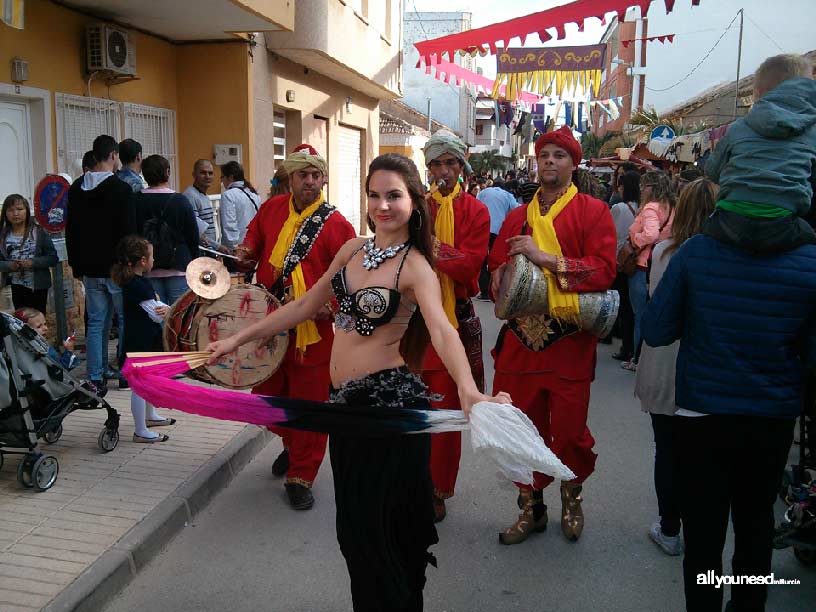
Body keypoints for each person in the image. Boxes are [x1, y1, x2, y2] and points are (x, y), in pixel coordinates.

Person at [209, 153, 510, 612]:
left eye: (394, 196)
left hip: (386, 411)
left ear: (414, 201)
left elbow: (443, 331)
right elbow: (305, 305)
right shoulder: (352, 251)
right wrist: (240, 338)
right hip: (344, 410)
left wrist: (468, 391)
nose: (382, 206)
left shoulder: (416, 268)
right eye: (374, 195)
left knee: (378, 536)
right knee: (353, 534)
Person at [643, 53, 815, 612]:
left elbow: (656, 330)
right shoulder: (810, 261)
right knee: (756, 529)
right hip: (771, 419)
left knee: (706, 536)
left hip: (702, 419)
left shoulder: (694, 254)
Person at [488, 125, 616, 544]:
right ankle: (532, 508)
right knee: (521, 430)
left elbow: (604, 270)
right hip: (520, 344)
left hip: (568, 342)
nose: (550, 162)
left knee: (570, 430)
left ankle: (572, 497)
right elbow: (494, 268)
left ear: (573, 164)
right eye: (545, 155)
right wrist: (498, 279)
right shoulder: (515, 216)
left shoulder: (593, 213)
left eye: (559, 156)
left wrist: (544, 258)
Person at [233, 144, 355, 510]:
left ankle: (302, 475)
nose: (312, 182)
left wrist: (326, 308)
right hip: (271, 322)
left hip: (312, 334)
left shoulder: (336, 224)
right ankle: (291, 441)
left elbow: (351, 278)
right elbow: (254, 239)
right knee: (268, 397)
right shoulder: (271, 208)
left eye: (317, 176)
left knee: (310, 405)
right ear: (291, 177)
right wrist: (243, 254)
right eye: (304, 175)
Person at [634, 178, 717, 558]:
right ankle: (700, 531)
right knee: (699, 454)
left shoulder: (666, 251)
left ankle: (670, 528)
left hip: (664, 358)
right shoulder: (723, 255)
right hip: (704, 362)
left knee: (666, 449)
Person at [421, 130, 490, 521]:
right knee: (411, 403)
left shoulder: (476, 212)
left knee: (445, 410)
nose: (444, 171)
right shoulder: (416, 206)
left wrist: (428, 248)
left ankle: (438, 488)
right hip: (413, 322)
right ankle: (410, 480)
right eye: (437, 164)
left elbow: (468, 266)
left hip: (453, 321)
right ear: (428, 169)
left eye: (451, 163)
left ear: (461, 167)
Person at [66, 135, 132, 395]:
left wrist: (76, 265)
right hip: (117, 267)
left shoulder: (76, 188)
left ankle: (96, 375)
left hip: (90, 268)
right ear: (114, 155)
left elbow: (71, 230)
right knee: (125, 319)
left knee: (96, 323)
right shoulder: (121, 189)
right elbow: (129, 232)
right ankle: (125, 373)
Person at [111, 235, 175, 443]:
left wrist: (163, 307)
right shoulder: (138, 285)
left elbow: (155, 306)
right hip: (140, 341)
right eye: (152, 257)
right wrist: (169, 309)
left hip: (144, 338)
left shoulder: (135, 282)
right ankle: (140, 430)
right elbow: (155, 313)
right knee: (139, 386)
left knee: (150, 379)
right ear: (143, 261)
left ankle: (150, 415)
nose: (154, 261)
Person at [621, 170, 675, 372]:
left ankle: (637, 358)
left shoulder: (651, 208)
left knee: (639, 315)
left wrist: (635, 241)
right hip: (661, 263)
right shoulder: (670, 207)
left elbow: (651, 234)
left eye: (645, 186)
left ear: (653, 188)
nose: (641, 189)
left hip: (643, 264)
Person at [132, 155, 199, 306]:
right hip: (179, 265)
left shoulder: (136, 201)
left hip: (147, 266)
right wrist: (193, 260)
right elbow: (192, 235)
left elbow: (132, 233)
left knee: (155, 314)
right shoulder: (180, 200)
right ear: (167, 172)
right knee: (179, 315)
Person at [0, 194, 58, 313]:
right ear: (5, 213)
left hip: (38, 286)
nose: (15, 213)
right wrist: (9, 266)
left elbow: (52, 258)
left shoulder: (39, 232)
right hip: (13, 287)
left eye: (20, 209)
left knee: (37, 321)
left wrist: (32, 263)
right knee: (20, 323)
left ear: (27, 210)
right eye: (11, 210)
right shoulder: (2, 236)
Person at [609, 171, 641, 362]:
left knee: (619, 302)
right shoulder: (641, 208)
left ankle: (625, 346)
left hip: (618, 260)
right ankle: (627, 342)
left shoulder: (619, 208)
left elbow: (610, 235)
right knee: (629, 305)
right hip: (633, 260)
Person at [477, 183, 519, 300]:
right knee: (496, 260)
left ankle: (484, 291)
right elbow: (517, 208)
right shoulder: (507, 195)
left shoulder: (484, 192)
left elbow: (476, 205)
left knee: (482, 260)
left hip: (483, 228)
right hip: (498, 230)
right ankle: (496, 288)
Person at [14, 306, 80, 371]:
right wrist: (69, 350)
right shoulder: (44, 350)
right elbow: (62, 368)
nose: (46, 328)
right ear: (27, 331)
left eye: (45, 324)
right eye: (39, 326)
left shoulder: (19, 350)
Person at [219, 161, 260, 249]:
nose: (221, 180)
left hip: (238, 250)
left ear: (231, 177)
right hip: (253, 246)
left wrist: (234, 248)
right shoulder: (254, 194)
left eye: (222, 177)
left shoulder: (228, 195)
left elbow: (229, 225)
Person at [182, 159, 220, 251]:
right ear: (194, 175)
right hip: (199, 252)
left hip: (208, 249)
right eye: (203, 173)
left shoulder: (204, 195)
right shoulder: (190, 196)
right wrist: (218, 247)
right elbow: (196, 230)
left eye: (210, 173)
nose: (207, 176)